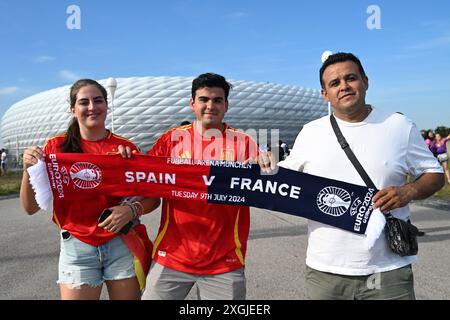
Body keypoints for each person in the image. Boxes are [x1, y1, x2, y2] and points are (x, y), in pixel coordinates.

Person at [263, 52, 444, 300]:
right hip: (326, 271)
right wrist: (260, 165)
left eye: (351, 78)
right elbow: (281, 177)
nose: (344, 86)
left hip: (387, 271)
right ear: (324, 94)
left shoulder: (399, 126)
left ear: (366, 81)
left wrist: (408, 191)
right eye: (334, 83)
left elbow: (435, 174)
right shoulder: (311, 132)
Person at [20, 79, 159, 300]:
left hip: (120, 242)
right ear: (72, 109)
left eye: (98, 100)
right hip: (77, 246)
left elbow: (152, 198)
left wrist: (132, 210)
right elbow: (30, 208)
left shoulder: (125, 148)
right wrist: (28, 170)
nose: (92, 107)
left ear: (107, 105)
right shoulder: (55, 148)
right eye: (84, 102)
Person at [141, 73, 258, 300]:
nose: (210, 106)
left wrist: (266, 166)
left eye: (217, 100)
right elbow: (143, 179)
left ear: (226, 105)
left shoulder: (244, 143)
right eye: (204, 99)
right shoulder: (171, 139)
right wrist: (122, 159)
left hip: (224, 262)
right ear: (192, 103)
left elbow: (266, 187)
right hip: (172, 257)